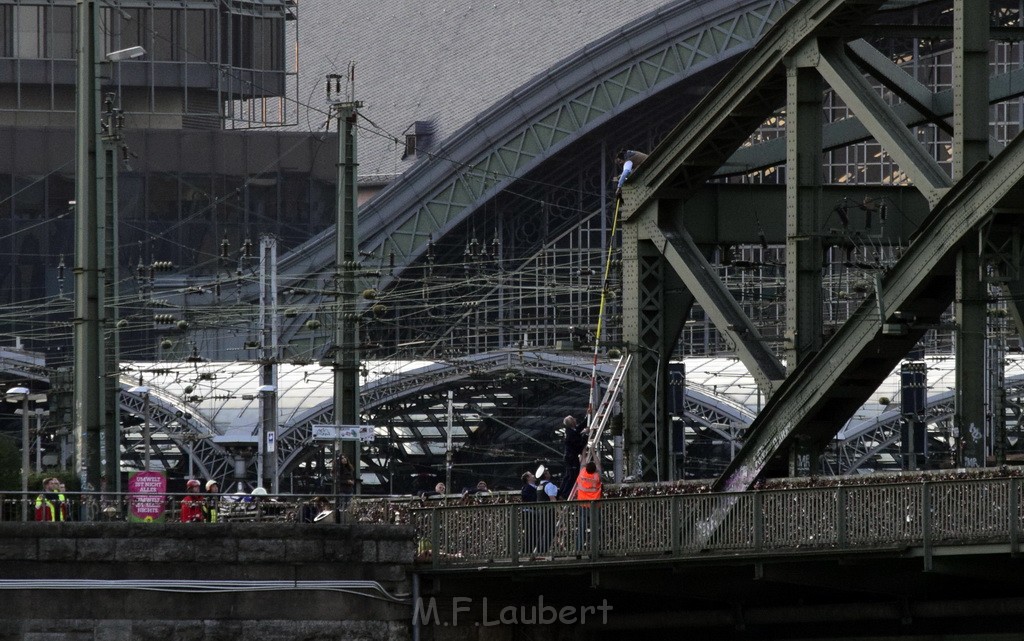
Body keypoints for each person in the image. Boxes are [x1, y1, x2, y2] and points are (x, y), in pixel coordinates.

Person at [575, 460, 603, 552]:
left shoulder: (582, 473)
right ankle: (594, 549)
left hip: (582, 505)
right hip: (594, 506)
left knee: (581, 528)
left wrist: (584, 450)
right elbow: (598, 464)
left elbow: (582, 461)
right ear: (595, 470)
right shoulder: (596, 477)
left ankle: (578, 549)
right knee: (595, 528)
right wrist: (593, 452)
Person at [562, 415, 587, 498]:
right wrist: (585, 436)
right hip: (571, 457)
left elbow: (579, 427)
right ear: (572, 423)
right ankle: (566, 494)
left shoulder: (571, 431)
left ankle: (562, 491)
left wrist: (587, 417)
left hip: (570, 457)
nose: (575, 420)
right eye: (573, 419)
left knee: (568, 475)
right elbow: (579, 446)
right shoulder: (570, 434)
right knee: (572, 476)